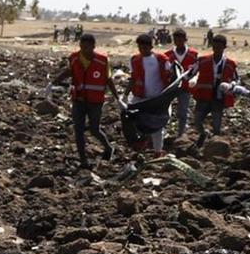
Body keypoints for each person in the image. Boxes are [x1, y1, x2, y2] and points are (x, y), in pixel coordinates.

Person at [62, 33, 117, 169]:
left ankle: (108, 148)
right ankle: (83, 160)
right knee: (78, 130)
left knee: (94, 129)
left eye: (87, 47)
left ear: (93, 47)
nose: (84, 50)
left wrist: (117, 97)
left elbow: (108, 79)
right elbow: (70, 71)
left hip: (95, 101)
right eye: (82, 47)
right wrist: (54, 82)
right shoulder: (74, 57)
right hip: (78, 100)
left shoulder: (103, 60)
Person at [189, 33, 239, 149]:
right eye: (215, 47)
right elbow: (191, 73)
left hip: (218, 97)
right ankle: (203, 134)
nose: (216, 50)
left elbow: (236, 79)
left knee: (217, 125)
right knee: (197, 120)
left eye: (219, 47)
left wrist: (231, 85)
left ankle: (214, 146)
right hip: (203, 96)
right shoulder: (202, 60)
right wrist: (190, 79)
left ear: (224, 47)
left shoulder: (230, 64)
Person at [127, 33, 172, 153]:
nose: (142, 50)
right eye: (140, 48)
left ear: (151, 47)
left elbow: (170, 77)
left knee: (157, 127)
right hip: (141, 97)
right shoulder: (135, 60)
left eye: (145, 48)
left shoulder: (161, 59)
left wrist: (169, 96)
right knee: (135, 120)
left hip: (157, 99)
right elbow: (133, 78)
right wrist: (125, 95)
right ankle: (143, 141)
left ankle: (158, 152)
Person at [161, 29, 198, 137]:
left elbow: (196, 70)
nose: (178, 42)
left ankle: (181, 133)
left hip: (185, 88)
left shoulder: (193, 55)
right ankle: (162, 132)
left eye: (180, 40)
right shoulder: (167, 55)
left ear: (185, 40)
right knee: (165, 110)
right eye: (176, 40)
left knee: (182, 112)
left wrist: (194, 79)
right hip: (171, 88)